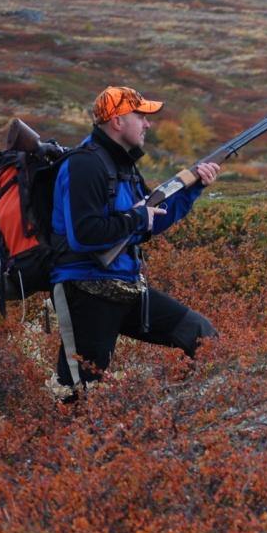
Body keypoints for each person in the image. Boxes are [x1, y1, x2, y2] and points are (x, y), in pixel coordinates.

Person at [50, 85, 220, 391]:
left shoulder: (123, 165)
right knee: (79, 393)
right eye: (140, 116)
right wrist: (136, 218)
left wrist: (193, 188)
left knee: (201, 335)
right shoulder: (84, 165)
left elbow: (153, 220)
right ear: (117, 121)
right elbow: (84, 236)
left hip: (125, 287)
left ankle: (190, 414)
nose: (148, 123)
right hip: (85, 291)